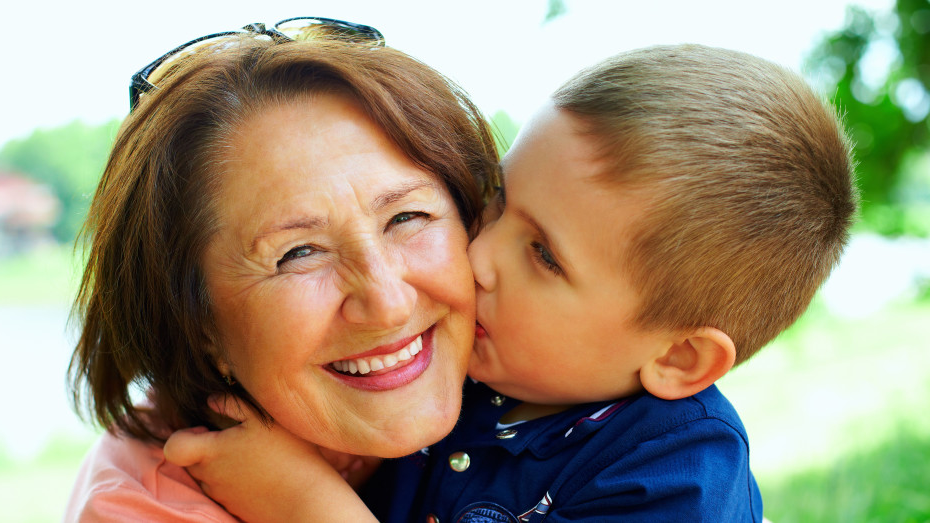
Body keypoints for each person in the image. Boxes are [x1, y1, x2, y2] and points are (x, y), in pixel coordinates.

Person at [164, 44, 858, 522]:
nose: (479, 254)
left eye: (544, 255)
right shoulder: (466, 377)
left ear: (678, 358)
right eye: (494, 202)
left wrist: (307, 504)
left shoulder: (674, 470)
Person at [63, 17, 500, 522]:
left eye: (407, 217)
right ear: (199, 323)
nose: (388, 303)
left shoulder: (546, 385)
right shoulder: (137, 509)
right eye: (299, 254)